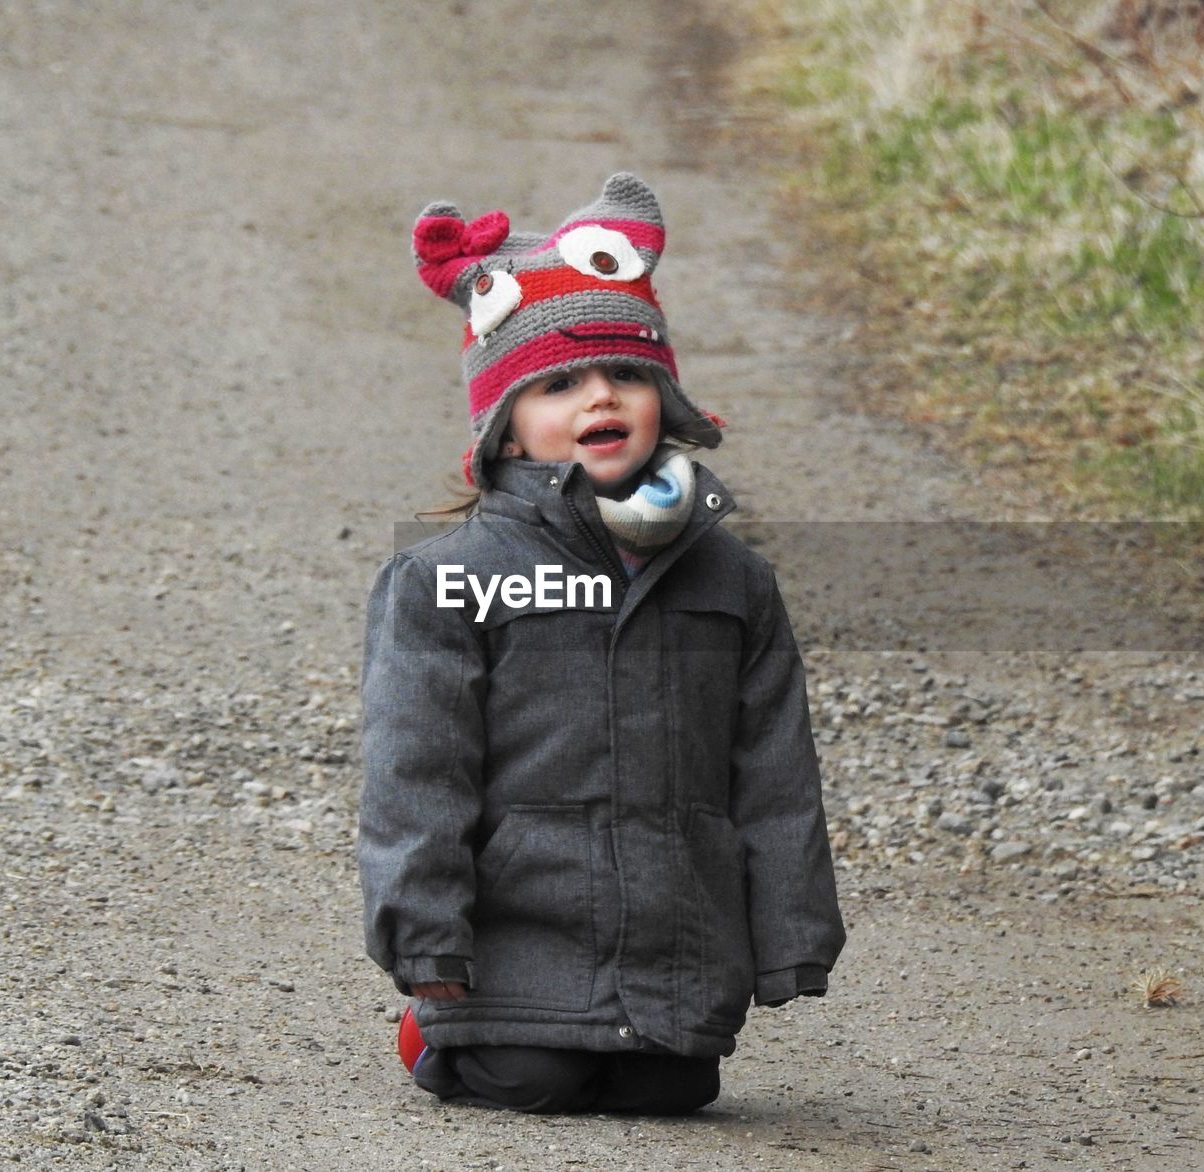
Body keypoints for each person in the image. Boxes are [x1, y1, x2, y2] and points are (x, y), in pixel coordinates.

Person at [358, 173, 845, 1115]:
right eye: (558, 383)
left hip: (674, 939)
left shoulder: (730, 580)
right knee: (527, 1077)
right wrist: (424, 940)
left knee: (672, 1091)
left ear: (664, 395)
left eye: (626, 373)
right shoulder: (447, 577)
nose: (599, 396)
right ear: (505, 426)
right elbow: (416, 771)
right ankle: (437, 1035)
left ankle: (628, 1036)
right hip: (514, 930)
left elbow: (777, 771)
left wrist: (791, 939)